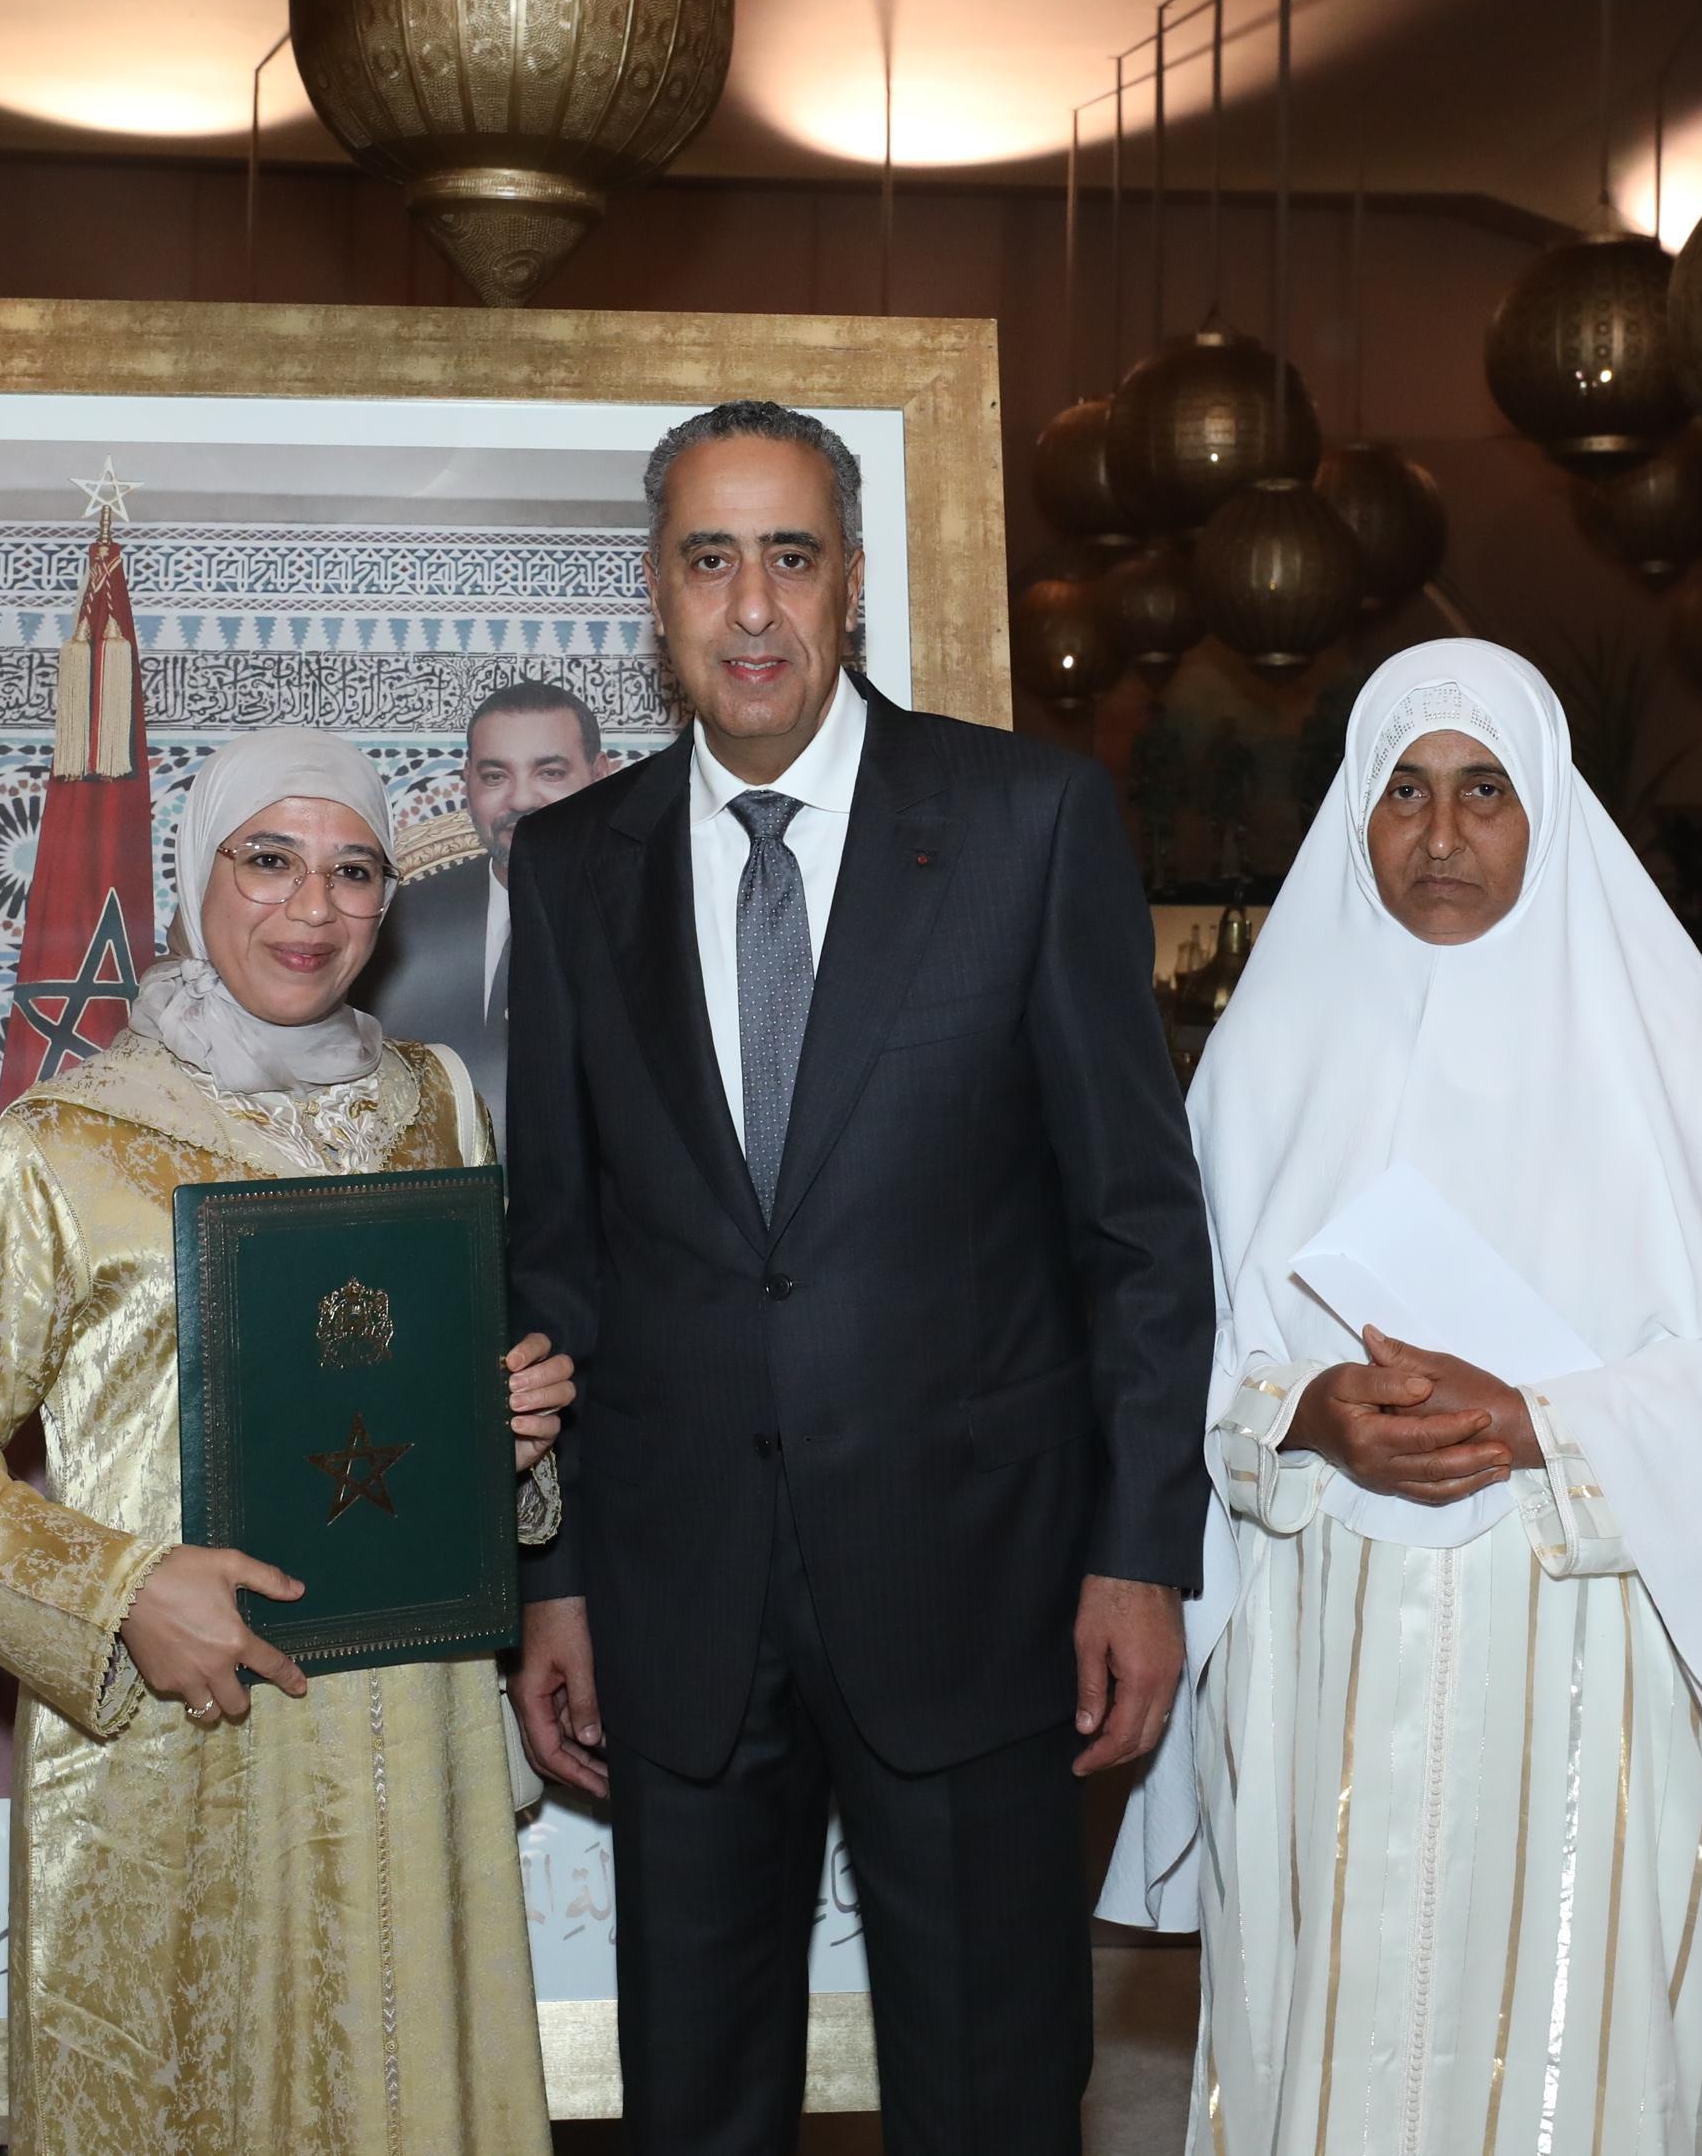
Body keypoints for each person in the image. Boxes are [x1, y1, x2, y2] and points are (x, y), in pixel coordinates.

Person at [503, 400, 1214, 2155]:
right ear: (655, 595)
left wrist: (1137, 1553)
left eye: (791, 556)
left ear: (855, 581)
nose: (752, 606)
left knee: (991, 2100)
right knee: (696, 2106)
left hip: (978, 1585)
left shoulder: (1027, 818)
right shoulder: (574, 865)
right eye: (710, 559)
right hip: (675, 1598)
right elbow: (556, 1254)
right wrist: (555, 1577)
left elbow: (1137, 1223)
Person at [1100, 641, 1702, 2154]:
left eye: (1484, 790)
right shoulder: (1267, 1050)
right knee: (1325, 2044)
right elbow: (1170, 1355)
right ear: (1355, 814)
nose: (1440, 832)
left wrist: (1533, 1419)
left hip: (1597, 1658)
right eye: (1403, 791)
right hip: (1321, 1651)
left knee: (1579, 2056)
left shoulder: (1674, 1047)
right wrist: (1307, 1409)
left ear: (1546, 810)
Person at [0, 723, 579, 2156]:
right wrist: (116, 1589)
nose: (312, 908)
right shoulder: (69, 1142)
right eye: (269, 859)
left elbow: (403, 1410)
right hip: (182, 1743)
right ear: (198, 873)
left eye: (353, 871)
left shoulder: (436, 1104)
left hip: (411, 1737)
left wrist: (498, 1437)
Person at [359, 680, 611, 1144]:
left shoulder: (659, 919)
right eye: (496, 776)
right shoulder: (393, 924)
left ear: (600, 777)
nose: (521, 800)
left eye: (550, 773)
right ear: (468, 785)